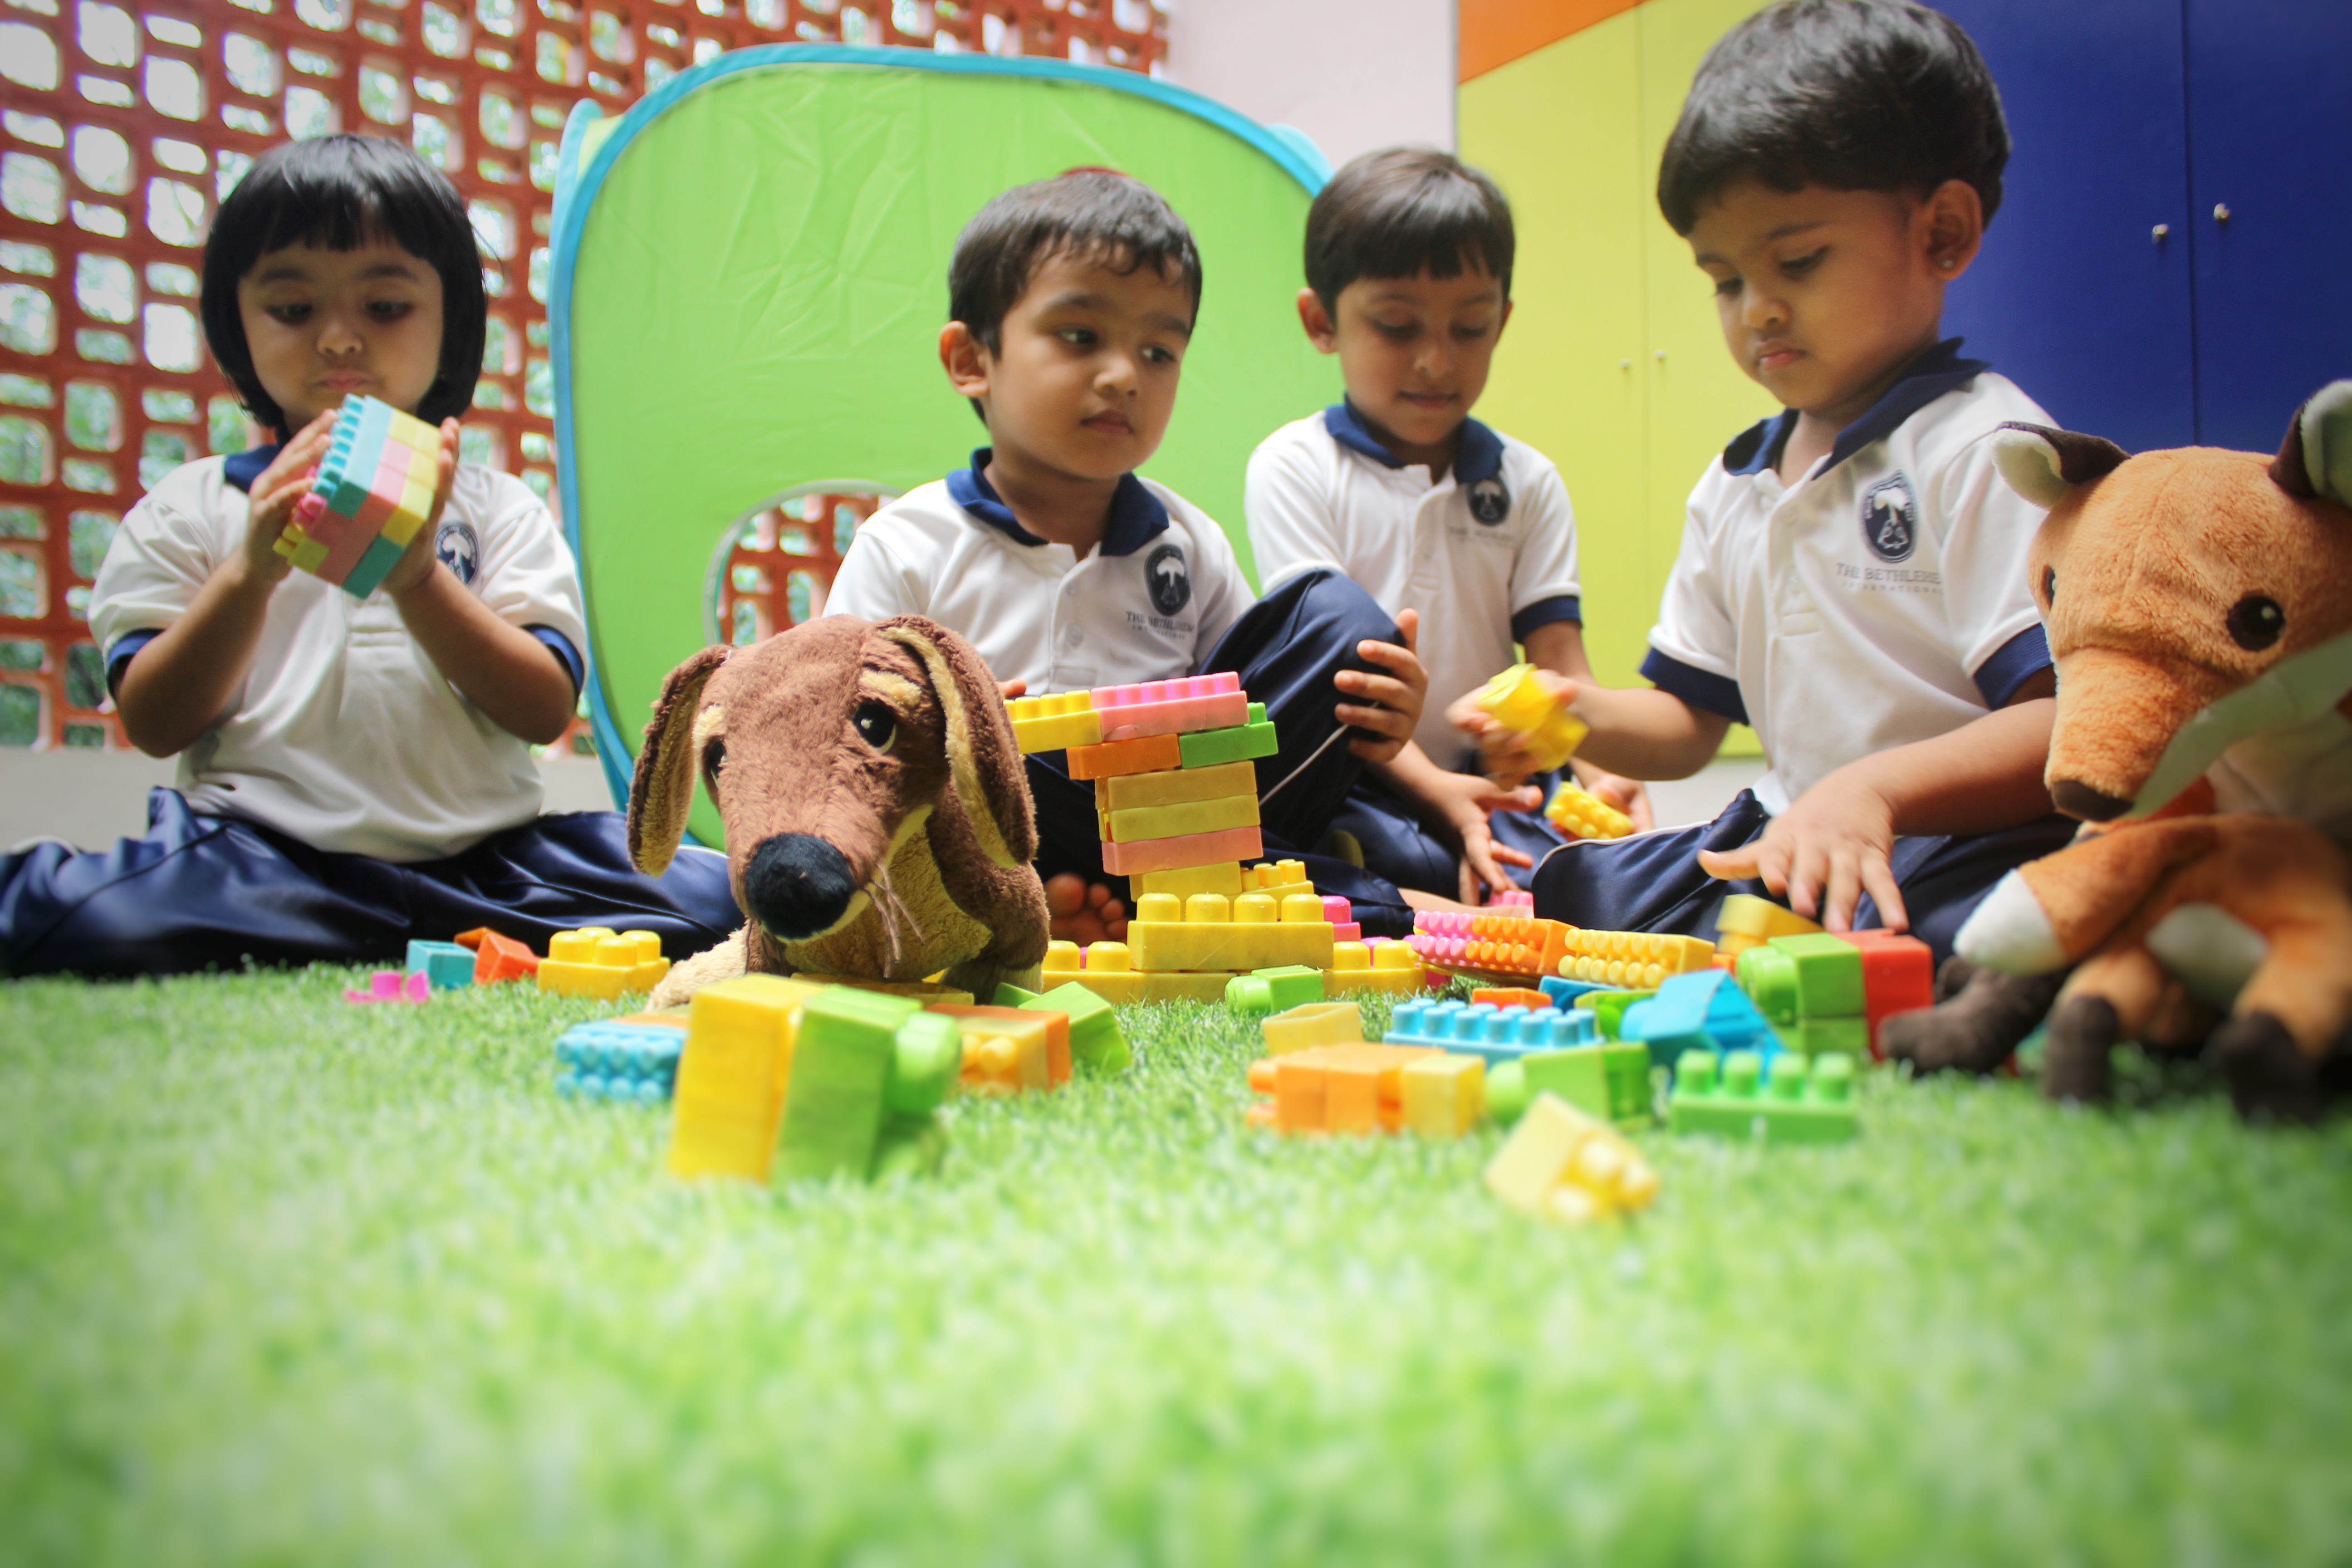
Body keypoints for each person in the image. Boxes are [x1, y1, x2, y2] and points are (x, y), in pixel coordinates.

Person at [0, 135, 740, 978]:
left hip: (489, 867)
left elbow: (541, 710)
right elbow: (156, 722)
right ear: (237, 325)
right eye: (292, 309)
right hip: (264, 859)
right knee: (83, 923)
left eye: (385, 307)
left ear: (450, 321)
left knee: (723, 904)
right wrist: (252, 571)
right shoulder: (194, 507)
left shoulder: (498, 509)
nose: (339, 340)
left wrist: (419, 579)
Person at [1475, 0, 2076, 963]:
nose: (1756, 310)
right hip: (1794, 833)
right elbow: (1685, 724)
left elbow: (2060, 725)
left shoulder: (1986, 450)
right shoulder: (1736, 483)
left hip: (1952, 839)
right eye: (1725, 279)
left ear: (1943, 232)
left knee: (1978, 924)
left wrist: (1875, 792)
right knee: (1586, 886)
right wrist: (1573, 714)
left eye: (1797, 260)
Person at [824, 170, 1431, 940]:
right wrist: (949, 732)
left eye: (1158, 351)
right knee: (994, 755)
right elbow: (832, 744)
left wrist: (1380, 716)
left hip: (1172, 825)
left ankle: (1144, 901)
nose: (1124, 377)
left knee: (1341, 620)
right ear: (972, 359)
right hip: (1000, 830)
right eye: (1080, 337)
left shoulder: (1187, 542)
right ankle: (1353, 905)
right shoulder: (908, 545)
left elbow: (1258, 724)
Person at [1246, 147, 1649, 906]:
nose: (1436, 361)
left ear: (1502, 322)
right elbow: (1339, 685)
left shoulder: (1527, 480)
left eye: (1469, 328)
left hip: (1494, 773)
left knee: (1587, 870)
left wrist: (1608, 776)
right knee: (1398, 863)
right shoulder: (1295, 465)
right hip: (1363, 772)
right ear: (1322, 321)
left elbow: (1561, 666)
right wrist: (1441, 795)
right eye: (1398, 327)